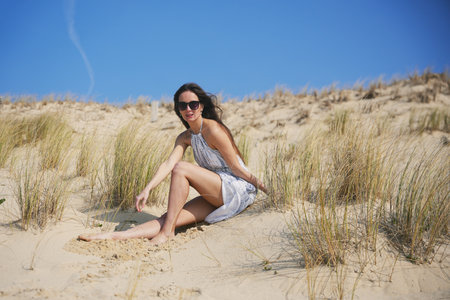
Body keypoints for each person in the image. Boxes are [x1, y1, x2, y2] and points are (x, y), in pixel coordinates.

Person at [79, 83, 267, 245]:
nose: (188, 109)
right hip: (216, 193)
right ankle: (116, 236)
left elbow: (236, 168)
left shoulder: (214, 130)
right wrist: (147, 189)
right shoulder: (185, 137)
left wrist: (265, 188)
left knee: (182, 168)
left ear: (201, 106)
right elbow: (168, 164)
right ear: (178, 110)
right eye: (183, 106)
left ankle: (167, 233)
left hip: (237, 189)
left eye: (193, 104)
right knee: (169, 217)